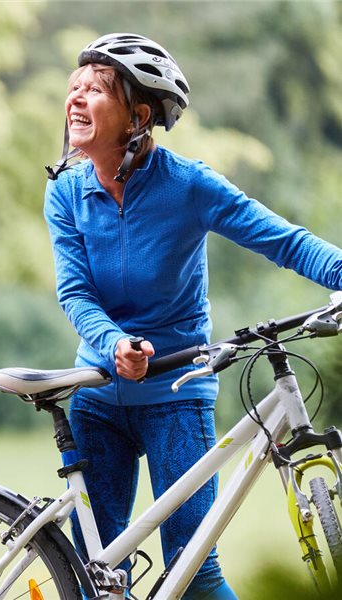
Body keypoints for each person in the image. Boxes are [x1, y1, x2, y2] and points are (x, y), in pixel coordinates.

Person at [44, 33, 342, 599]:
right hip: (98, 394)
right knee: (98, 580)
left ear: (139, 116)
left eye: (96, 89)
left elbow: (287, 242)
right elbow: (76, 294)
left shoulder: (189, 184)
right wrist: (112, 344)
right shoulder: (66, 193)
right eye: (73, 87)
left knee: (196, 573)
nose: (77, 99)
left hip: (177, 393)